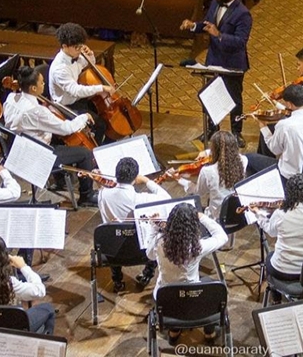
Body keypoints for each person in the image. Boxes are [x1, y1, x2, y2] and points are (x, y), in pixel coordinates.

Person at [3, 66, 99, 207]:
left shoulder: (11, 98)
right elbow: (67, 128)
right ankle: (87, 196)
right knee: (85, 153)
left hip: (16, 150)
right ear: (33, 89)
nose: (44, 85)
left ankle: (60, 181)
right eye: (41, 82)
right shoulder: (37, 111)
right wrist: (84, 117)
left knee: (54, 137)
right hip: (36, 155)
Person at [180, 0, 253, 147]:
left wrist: (219, 35)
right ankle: (212, 130)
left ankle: (236, 133)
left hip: (233, 63)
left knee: (234, 100)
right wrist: (193, 26)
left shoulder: (243, 14)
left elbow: (240, 41)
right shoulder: (215, 3)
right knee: (211, 95)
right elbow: (207, 25)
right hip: (214, 59)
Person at [146, 203, 228, 343]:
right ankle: (209, 333)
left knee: (175, 298)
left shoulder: (160, 243)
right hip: (193, 297)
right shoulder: (198, 247)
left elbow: (150, 256)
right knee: (209, 290)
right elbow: (222, 237)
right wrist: (202, 217)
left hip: (165, 297)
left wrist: (154, 228)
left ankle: (174, 330)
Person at [99, 157, 171, 290]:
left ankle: (117, 280)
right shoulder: (142, 199)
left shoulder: (103, 195)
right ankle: (147, 274)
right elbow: (166, 198)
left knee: (112, 234)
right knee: (159, 235)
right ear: (135, 177)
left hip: (112, 251)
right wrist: (146, 180)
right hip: (141, 251)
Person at [257, 174, 303, 299]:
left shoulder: (281, 214)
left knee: (269, 257)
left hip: (282, 270)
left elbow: (271, 231)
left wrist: (258, 215)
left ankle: (275, 296)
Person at [0, 235, 55, 333]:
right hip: (6, 332)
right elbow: (40, 290)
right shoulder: (9, 283)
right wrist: (23, 266)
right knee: (48, 309)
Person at [246, 84, 303, 178]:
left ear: (289, 104)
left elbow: (274, 149)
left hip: (290, 176)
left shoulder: (284, 126)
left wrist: (263, 126)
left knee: (248, 158)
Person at [48, 23, 115, 141]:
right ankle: (94, 152)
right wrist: (101, 88)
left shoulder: (74, 56)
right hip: (66, 105)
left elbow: (88, 64)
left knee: (108, 117)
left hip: (78, 100)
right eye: (76, 47)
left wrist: (90, 55)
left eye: (81, 46)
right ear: (65, 46)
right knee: (99, 125)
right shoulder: (60, 69)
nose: (80, 50)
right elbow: (76, 91)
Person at [171, 131, 248, 219]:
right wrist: (207, 152)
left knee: (186, 205)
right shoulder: (243, 161)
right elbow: (232, 152)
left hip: (217, 216)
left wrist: (180, 180)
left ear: (214, 149)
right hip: (238, 213)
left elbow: (198, 192)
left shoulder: (208, 171)